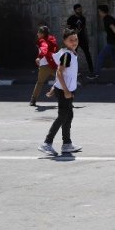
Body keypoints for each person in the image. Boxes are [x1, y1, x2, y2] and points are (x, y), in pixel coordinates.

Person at [39, 29, 83, 157]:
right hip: (65, 91)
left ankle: (67, 144)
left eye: (76, 39)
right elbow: (59, 71)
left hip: (65, 89)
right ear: (64, 41)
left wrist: (54, 86)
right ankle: (47, 143)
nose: (74, 42)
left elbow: (62, 73)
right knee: (62, 116)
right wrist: (65, 90)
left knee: (68, 116)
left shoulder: (70, 53)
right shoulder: (66, 55)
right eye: (71, 40)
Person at [91, 4, 115, 80]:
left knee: (100, 56)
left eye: (99, 12)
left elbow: (112, 27)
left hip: (112, 42)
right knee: (114, 58)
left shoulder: (107, 19)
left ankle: (96, 74)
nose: (99, 14)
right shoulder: (110, 18)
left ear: (102, 11)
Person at [29, 25, 59, 107]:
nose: (37, 34)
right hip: (53, 65)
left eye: (38, 32)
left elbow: (44, 50)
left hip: (44, 67)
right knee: (62, 80)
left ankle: (33, 100)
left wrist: (39, 57)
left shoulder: (42, 41)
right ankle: (66, 100)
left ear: (42, 34)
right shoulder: (51, 39)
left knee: (40, 83)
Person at [66, 4, 94, 72]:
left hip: (82, 39)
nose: (80, 10)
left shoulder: (83, 18)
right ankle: (73, 71)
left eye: (81, 9)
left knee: (87, 54)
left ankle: (91, 70)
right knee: (73, 55)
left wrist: (87, 37)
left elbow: (84, 28)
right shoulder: (71, 19)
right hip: (74, 39)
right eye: (78, 9)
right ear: (75, 10)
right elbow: (67, 29)